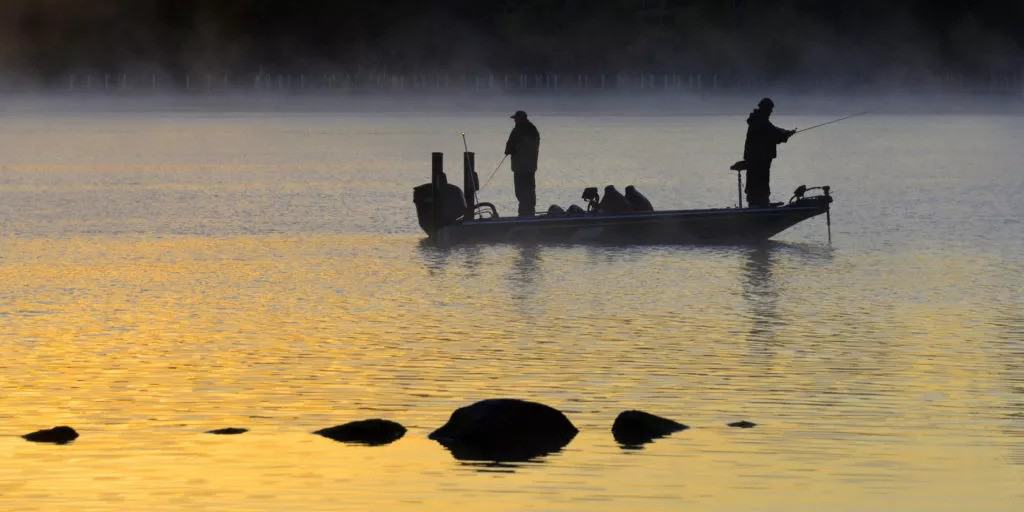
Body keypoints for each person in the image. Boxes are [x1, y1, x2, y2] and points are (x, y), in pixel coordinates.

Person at [743, 98, 796, 208]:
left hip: (759, 157)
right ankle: (760, 203)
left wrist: (786, 132)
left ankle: (761, 202)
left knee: (757, 180)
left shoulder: (759, 119)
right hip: (759, 158)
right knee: (760, 180)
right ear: (765, 109)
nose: (771, 112)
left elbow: (773, 130)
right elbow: (774, 135)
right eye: (770, 109)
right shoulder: (760, 121)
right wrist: (786, 135)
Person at [505, 110, 540, 217]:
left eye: (516, 118)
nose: (514, 120)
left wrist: (512, 149)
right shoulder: (532, 129)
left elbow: (510, 147)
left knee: (523, 191)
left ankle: (525, 215)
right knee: (527, 191)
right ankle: (528, 213)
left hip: (522, 168)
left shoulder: (520, 130)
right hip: (528, 167)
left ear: (520, 119)